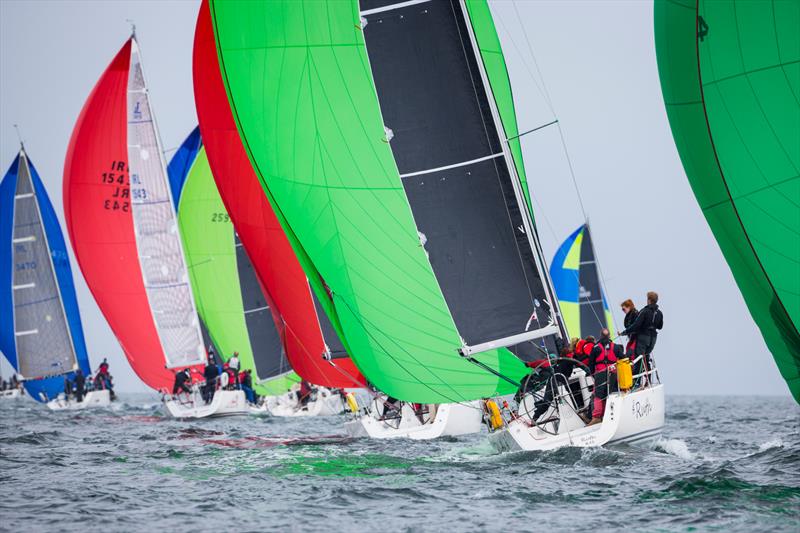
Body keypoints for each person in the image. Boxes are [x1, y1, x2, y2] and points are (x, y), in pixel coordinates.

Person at [620, 291, 664, 379]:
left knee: (639, 358)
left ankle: (637, 382)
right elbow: (660, 326)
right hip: (653, 339)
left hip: (643, 338)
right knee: (646, 358)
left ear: (649, 300)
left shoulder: (644, 311)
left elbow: (636, 326)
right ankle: (648, 380)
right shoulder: (660, 313)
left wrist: (624, 332)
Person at [587, 328, 624, 425]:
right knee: (609, 393)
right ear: (609, 336)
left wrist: (593, 375)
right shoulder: (616, 347)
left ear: (601, 336)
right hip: (613, 373)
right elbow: (623, 358)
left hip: (601, 373)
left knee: (598, 395)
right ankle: (608, 414)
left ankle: (597, 417)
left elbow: (591, 363)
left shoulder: (595, 348)